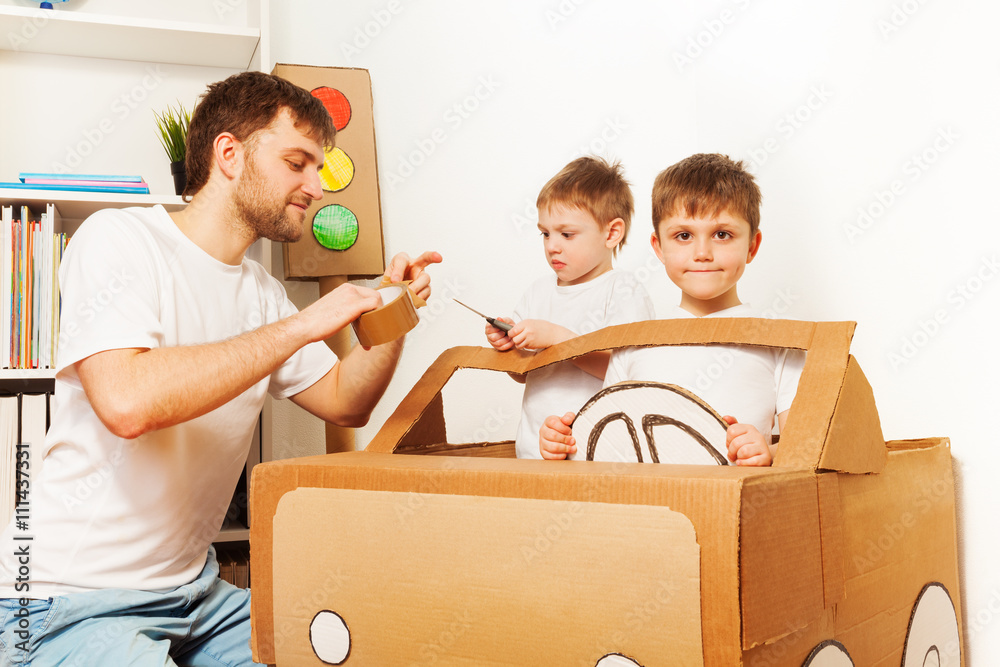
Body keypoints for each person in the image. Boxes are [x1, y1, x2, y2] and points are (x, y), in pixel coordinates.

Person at [0, 71, 440, 666]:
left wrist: (394, 310)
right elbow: (127, 402)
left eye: (319, 168)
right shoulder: (119, 239)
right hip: (68, 599)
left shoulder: (259, 291)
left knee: (345, 647)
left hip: (197, 595)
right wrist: (304, 325)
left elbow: (345, 399)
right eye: (297, 162)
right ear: (229, 154)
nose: (315, 185)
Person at [539, 153, 804, 466]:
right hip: (647, 511)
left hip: (731, 507)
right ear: (658, 247)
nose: (702, 253)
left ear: (752, 246)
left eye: (722, 234)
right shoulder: (635, 342)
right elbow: (607, 443)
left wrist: (768, 452)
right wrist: (562, 442)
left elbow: (804, 447)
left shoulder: (782, 344)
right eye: (683, 236)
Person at [485, 156, 654, 459]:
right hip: (534, 452)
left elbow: (627, 374)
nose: (552, 245)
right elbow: (523, 372)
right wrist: (510, 345)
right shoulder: (538, 292)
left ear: (611, 233)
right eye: (545, 233)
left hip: (597, 456)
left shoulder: (623, 291)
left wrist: (557, 338)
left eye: (567, 234)